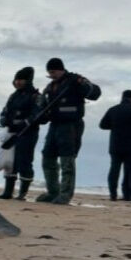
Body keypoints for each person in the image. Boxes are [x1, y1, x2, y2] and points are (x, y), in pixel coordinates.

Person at [35, 58, 101, 204]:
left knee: (67, 159)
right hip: (54, 125)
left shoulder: (74, 81)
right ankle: (53, 191)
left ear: (61, 70)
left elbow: (95, 93)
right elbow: (42, 107)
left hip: (71, 125)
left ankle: (65, 194)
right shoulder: (50, 87)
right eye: (49, 73)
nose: (51, 75)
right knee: (48, 157)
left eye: (53, 72)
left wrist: (83, 84)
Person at [0, 67, 40, 200]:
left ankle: (22, 193)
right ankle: (7, 192)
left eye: (21, 80)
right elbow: (5, 111)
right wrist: (3, 119)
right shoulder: (13, 96)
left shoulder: (36, 96)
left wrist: (24, 123)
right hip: (11, 132)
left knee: (25, 161)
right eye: (16, 80)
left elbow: (37, 114)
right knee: (9, 162)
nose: (18, 82)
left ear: (28, 80)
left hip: (27, 133)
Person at [99, 89, 131, 201]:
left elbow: (102, 125)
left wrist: (115, 126)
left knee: (114, 169)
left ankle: (113, 194)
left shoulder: (113, 109)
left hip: (115, 144)